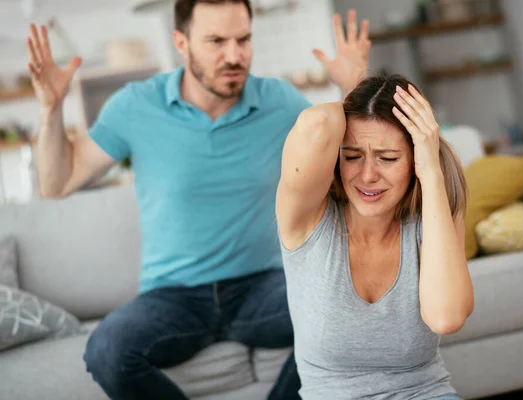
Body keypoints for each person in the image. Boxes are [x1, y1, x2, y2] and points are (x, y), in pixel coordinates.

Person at [25, 0, 371, 398]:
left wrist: (352, 87)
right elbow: (56, 183)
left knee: (347, 310)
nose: (234, 55)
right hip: (173, 296)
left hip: (263, 287)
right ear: (181, 42)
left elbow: (349, 164)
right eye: (216, 41)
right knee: (107, 350)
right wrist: (50, 109)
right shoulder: (136, 105)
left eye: (243, 40)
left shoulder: (279, 102)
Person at [275, 74, 474, 399]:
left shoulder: (433, 214)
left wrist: (432, 172)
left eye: (388, 158)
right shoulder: (308, 217)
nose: (367, 175)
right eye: (352, 156)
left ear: (414, 159)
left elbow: (446, 317)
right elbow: (317, 124)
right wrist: (357, 93)